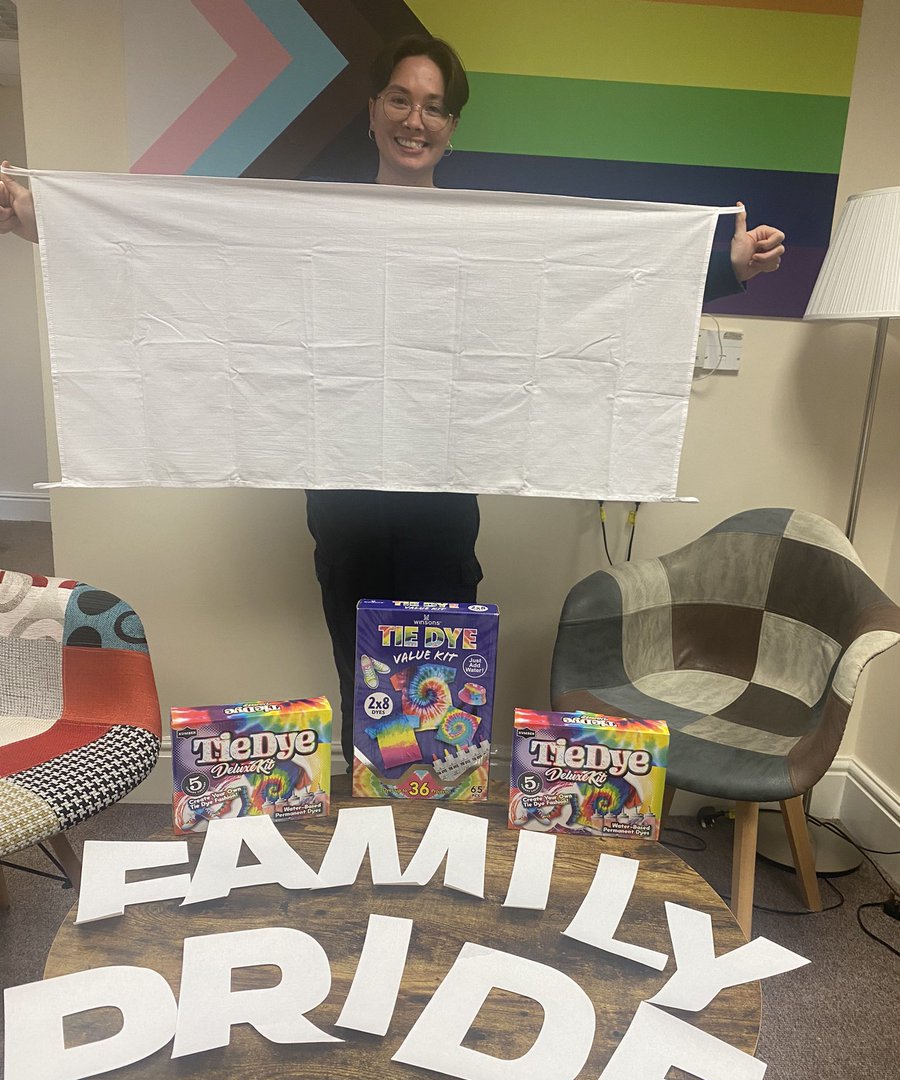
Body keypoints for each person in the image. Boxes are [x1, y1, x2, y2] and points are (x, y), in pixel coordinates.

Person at [0, 33, 785, 767]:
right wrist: (46, 223)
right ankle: (374, 841)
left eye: (436, 106)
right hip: (343, 498)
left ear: (451, 125)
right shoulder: (314, 227)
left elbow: (601, 286)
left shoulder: (486, 234)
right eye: (402, 100)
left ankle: (432, 839)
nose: (418, 119)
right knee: (366, 683)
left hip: (442, 500)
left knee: (443, 693)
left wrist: (729, 267)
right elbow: (188, 258)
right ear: (373, 111)